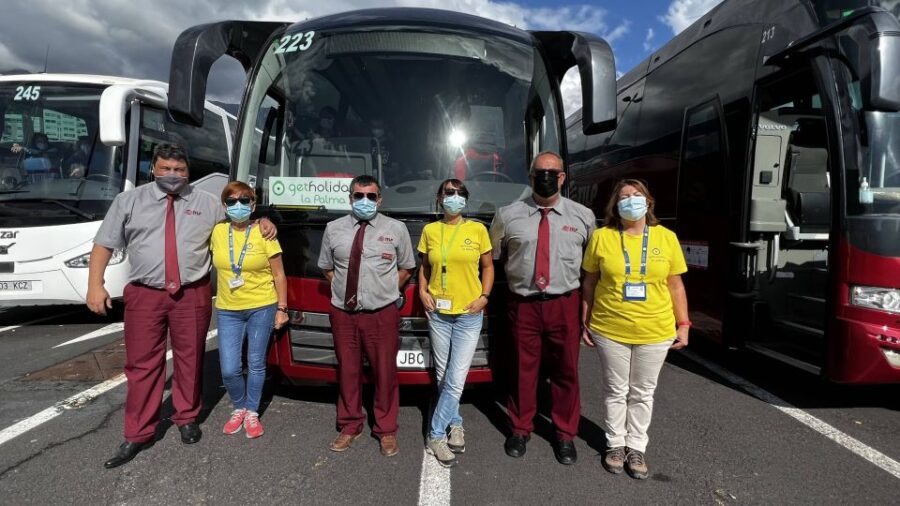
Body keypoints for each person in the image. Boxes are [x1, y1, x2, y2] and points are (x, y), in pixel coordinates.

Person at [87, 142, 277, 469]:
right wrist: (95, 285)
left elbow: (238, 218)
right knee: (143, 364)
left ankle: (186, 417)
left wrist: (264, 220)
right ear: (154, 169)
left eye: (179, 170)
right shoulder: (129, 201)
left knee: (190, 358)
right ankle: (138, 432)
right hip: (146, 294)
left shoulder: (206, 203)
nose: (172, 175)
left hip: (192, 292)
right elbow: (104, 244)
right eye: (165, 169)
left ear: (188, 171)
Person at [489, 151, 595, 465]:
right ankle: (520, 429)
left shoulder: (583, 217)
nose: (546, 177)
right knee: (523, 370)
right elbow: (495, 258)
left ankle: (565, 435)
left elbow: (591, 268)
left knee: (566, 372)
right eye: (540, 172)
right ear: (531, 175)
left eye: (553, 172)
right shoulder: (507, 215)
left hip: (565, 304)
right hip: (523, 304)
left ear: (562, 177)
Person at [580, 179, 689, 480]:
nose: (630, 200)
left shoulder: (666, 238)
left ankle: (636, 446)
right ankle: (615, 443)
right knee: (616, 390)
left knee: (643, 392)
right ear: (615, 205)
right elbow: (589, 282)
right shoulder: (602, 237)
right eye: (624, 196)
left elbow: (675, 284)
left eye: (636, 195)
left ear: (648, 202)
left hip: (655, 329)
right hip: (609, 326)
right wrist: (585, 320)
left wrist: (685, 324)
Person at [317, 174, 415, 457]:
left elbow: (407, 267)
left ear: (379, 199)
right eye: (359, 195)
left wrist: (384, 290)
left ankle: (386, 430)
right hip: (344, 314)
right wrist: (345, 288)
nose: (365, 201)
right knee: (348, 371)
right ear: (350, 198)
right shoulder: (333, 228)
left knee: (385, 373)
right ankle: (350, 425)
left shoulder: (396, 229)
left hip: (381, 315)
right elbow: (326, 267)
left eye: (371, 196)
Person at [417, 179, 494, 468]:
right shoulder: (430, 230)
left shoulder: (477, 230)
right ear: (439, 198)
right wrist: (423, 291)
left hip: (468, 313)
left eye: (460, 193)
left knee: (457, 375)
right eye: (449, 193)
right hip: (438, 311)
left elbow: (487, 267)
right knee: (443, 374)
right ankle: (456, 421)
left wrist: (484, 296)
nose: (455, 197)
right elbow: (425, 266)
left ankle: (435, 434)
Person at [211, 181, 289, 439]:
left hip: (261, 306)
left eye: (244, 201)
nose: (238, 206)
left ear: (253, 205)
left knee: (255, 363)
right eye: (232, 202)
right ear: (224, 206)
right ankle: (239, 406)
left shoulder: (264, 233)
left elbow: (279, 275)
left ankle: (251, 411)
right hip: (228, 309)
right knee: (230, 368)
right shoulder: (217, 232)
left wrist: (281, 308)